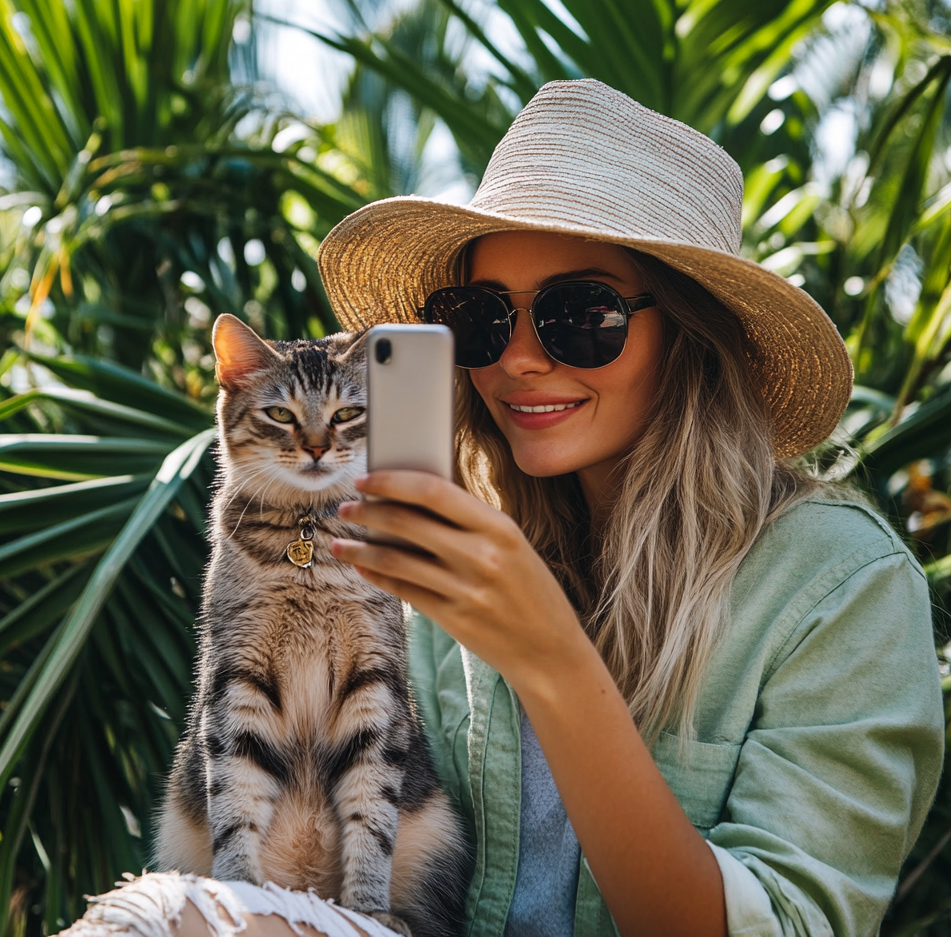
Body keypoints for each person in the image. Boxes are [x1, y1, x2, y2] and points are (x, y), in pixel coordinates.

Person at [66, 80, 943, 937]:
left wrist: (553, 662)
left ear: (690, 338)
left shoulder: (842, 592)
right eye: (481, 318)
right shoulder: (439, 556)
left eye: (579, 315)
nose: (517, 360)